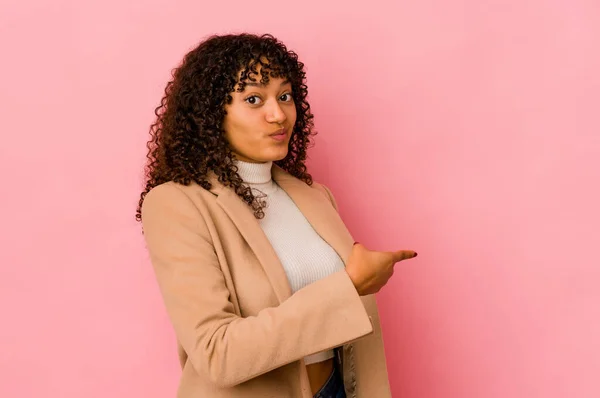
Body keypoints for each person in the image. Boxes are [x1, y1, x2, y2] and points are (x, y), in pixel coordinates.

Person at [136, 33, 417, 398]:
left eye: (284, 96)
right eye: (253, 99)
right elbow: (217, 353)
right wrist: (347, 287)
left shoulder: (314, 196)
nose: (278, 114)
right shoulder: (177, 204)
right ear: (209, 113)